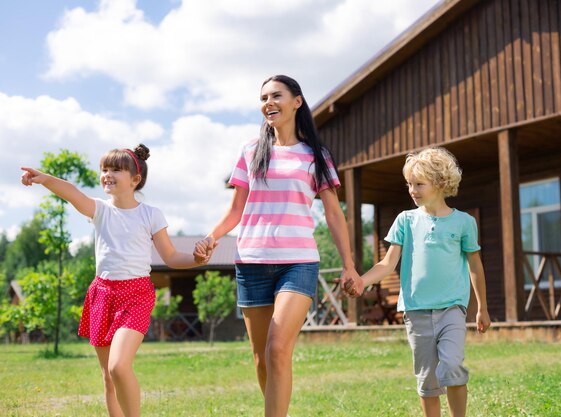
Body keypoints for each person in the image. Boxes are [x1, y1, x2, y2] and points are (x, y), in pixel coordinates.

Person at [194, 74, 363, 417]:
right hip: (251, 261)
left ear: (297, 101)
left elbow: (333, 212)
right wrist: (211, 238)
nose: (268, 103)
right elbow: (236, 209)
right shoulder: (250, 151)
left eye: (276, 95)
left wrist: (348, 264)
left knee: (277, 349)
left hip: (297, 262)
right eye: (263, 98)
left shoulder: (316, 155)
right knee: (260, 359)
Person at [21, 144, 208, 417]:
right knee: (109, 379)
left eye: (116, 170)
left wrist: (197, 260)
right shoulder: (100, 210)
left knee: (118, 367)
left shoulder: (151, 214)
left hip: (136, 295)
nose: (107, 174)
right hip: (103, 294)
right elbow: (72, 193)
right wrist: (45, 178)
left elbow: (170, 257)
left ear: (135, 179)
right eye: (104, 169)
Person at [356, 147, 491, 417]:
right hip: (416, 311)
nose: (412, 190)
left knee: (452, 366)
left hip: (452, 308)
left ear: (440, 183)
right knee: (427, 379)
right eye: (409, 184)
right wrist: (361, 281)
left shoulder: (464, 222)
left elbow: (475, 264)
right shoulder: (405, 220)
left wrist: (482, 308)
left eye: (419, 184)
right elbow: (387, 264)